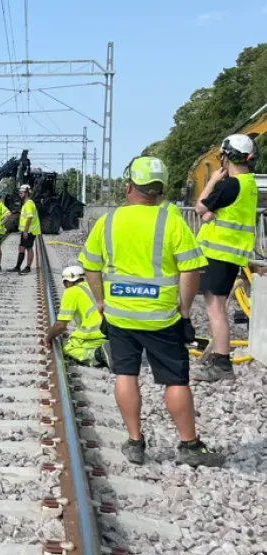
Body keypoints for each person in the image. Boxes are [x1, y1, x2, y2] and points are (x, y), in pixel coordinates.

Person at [78, 156, 222, 467]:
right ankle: (189, 446)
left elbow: (90, 266)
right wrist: (183, 311)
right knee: (175, 380)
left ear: (129, 186)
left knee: (125, 374)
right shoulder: (170, 220)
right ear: (160, 191)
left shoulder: (109, 222)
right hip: (162, 317)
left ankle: (134, 442)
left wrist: (101, 300)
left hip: (119, 315)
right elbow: (191, 269)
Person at [191, 134, 260, 382]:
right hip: (232, 255)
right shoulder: (248, 184)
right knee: (218, 309)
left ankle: (221, 362)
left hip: (217, 255)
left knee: (216, 310)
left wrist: (212, 181)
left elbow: (200, 207)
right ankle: (216, 357)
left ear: (225, 156)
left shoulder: (229, 185)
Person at [44, 266, 110, 367]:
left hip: (94, 335)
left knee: (67, 347)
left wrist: (49, 337)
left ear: (68, 282)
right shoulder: (96, 286)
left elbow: (60, 325)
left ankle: (97, 355)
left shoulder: (71, 291)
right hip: (113, 333)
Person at [9, 184, 40, 275]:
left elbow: (29, 218)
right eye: (20, 192)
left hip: (30, 231)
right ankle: (18, 267)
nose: (20, 194)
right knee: (22, 247)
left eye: (21, 192)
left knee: (28, 248)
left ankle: (28, 267)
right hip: (27, 230)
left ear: (26, 193)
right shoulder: (26, 203)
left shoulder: (29, 204)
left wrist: (25, 231)